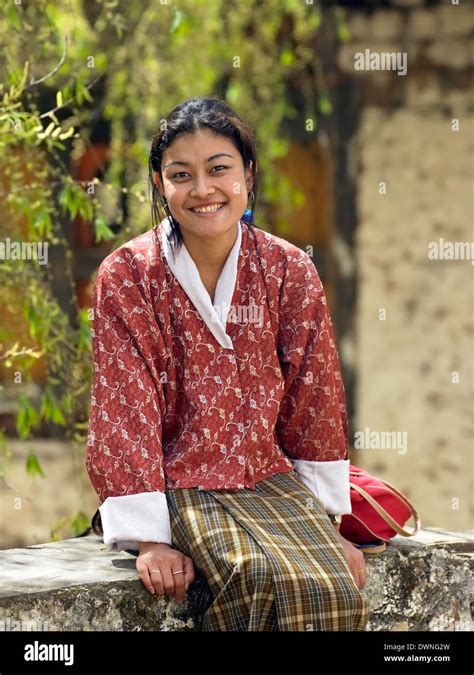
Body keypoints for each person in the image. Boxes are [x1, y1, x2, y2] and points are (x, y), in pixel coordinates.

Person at [85, 96, 369, 631]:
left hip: (270, 476)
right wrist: (151, 539)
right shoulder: (127, 276)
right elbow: (125, 410)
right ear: (158, 184)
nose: (203, 189)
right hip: (181, 484)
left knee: (333, 586)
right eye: (180, 174)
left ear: (248, 174)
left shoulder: (289, 270)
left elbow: (316, 398)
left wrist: (330, 524)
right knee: (252, 575)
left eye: (219, 169)